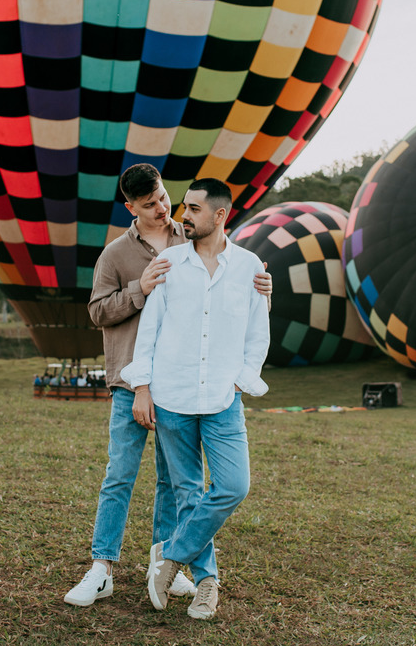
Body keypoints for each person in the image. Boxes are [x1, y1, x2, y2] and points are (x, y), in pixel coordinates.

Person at [63, 165, 271, 607]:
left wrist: (263, 289)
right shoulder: (116, 255)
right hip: (130, 382)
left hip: (183, 385)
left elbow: (232, 293)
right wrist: (139, 288)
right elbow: (98, 312)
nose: (162, 209)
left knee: (173, 482)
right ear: (130, 208)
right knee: (119, 475)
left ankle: (166, 561)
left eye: (163, 198)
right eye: (149, 204)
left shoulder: (190, 237)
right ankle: (102, 568)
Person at [122, 178, 270, 620]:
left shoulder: (249, 269)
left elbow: (257, 332)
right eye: (184, 207)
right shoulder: (169, 262)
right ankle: (207, 583)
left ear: (221, 215)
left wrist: (243, 379)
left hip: (224, 399)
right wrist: (143, 387)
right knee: (187, 493)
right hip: (173, 396)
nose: (183, 216)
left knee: (232, 486)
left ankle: (171, 558)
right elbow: (148, 332)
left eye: (195, 210)